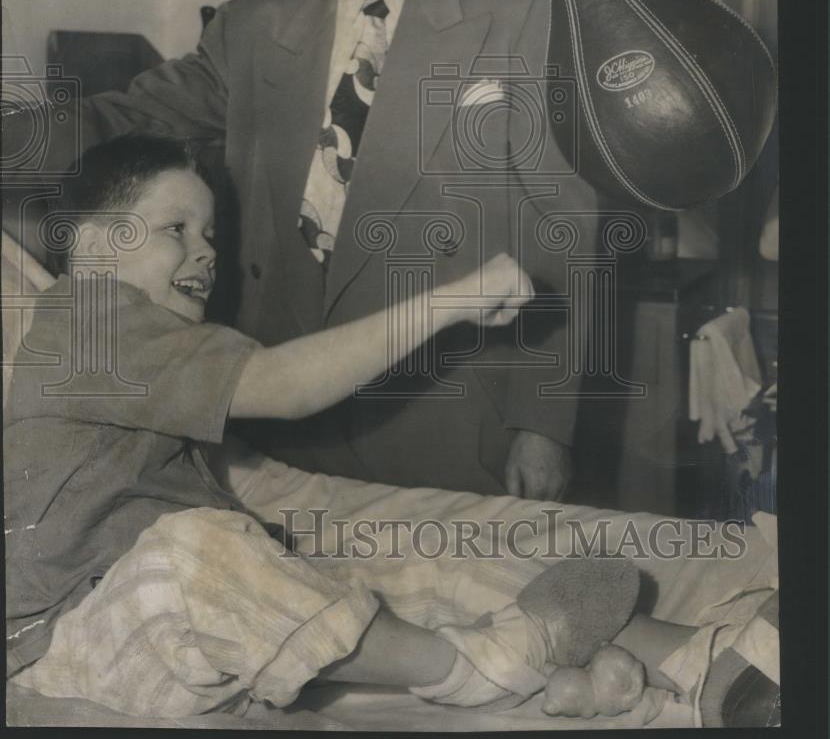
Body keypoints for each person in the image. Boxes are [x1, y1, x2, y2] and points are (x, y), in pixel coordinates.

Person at [5, 134, 777, 724]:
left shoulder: (149, 360)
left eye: (209, 233)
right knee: (199, 554)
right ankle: (487, 661)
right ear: (97, 245)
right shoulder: (85, 318)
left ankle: (707, 668)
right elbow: (286, 385)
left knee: (406, 571)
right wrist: (451, 301)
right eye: (177, 227)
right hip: (61, 640)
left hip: (169, 646)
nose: (206, 250)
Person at [1, 0, 597, 499]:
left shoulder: (523, 10)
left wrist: (544, 424)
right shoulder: (253, 28)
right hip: (275, 431)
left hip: (443, 418)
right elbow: (114, 119)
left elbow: (564, 226)